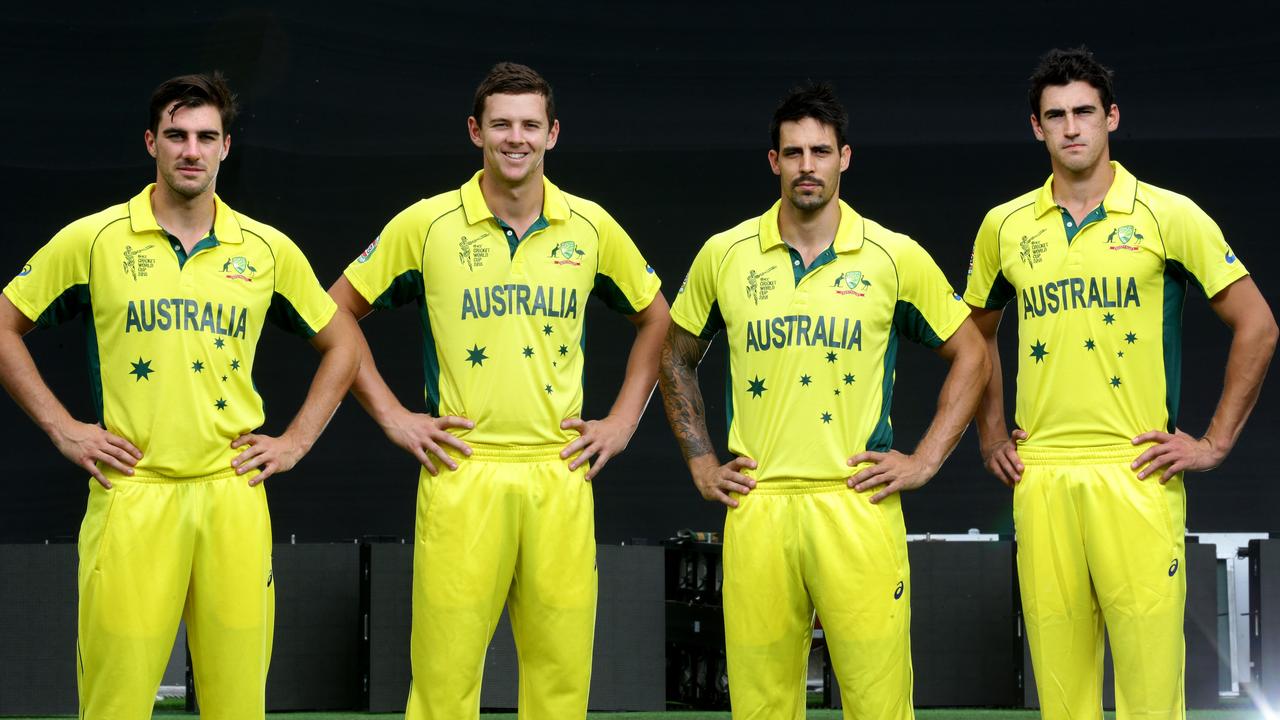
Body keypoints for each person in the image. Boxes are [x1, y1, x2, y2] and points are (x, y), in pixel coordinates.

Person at [0, 72, 360, 719]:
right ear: (151, 143)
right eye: (176, 135)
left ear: (226, 147)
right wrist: (62, 427)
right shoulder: (96, 240)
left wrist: (297, 440)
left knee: (238, 705)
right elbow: (4, 324)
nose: (191, 149)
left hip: (232, 496)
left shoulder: (266, 250)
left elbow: (343, 343)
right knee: (115, 704)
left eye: (205, 136)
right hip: (134, 494)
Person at [327, 62, 669, 719]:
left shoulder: (590, 226)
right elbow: (333, 312)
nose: (516, 138)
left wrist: (624, 422)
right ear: (475, 131)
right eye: (502, 124)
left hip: (558, 472)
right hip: (464, 471)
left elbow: (661, 319)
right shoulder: (427, 225)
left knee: (561, 680)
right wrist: (394, 417)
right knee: (444, 679)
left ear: (553, 134)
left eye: (530, 125)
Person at [658, 81, 988, 720]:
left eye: (821, 151)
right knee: (760, 705)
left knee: (879, 701)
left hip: (856, 504)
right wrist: (700, 461)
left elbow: (973, 353)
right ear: (773, 162)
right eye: (793, 152)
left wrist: (923, 462)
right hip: (760, 505)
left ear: (845, 158)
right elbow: (675, 356)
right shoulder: (724, 255)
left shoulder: (894, 256)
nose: (807, 165)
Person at [964, 47, 1277, 719]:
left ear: (1111, 118)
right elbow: (976, 337)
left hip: (1136, 471)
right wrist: (991, 432)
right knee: (1062, 692)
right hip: (1041, 476)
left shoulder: (1169, 215)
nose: (1071, 128)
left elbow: (1259, 325)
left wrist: (1215, 443)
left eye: (1084, 112)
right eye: (1056, 115)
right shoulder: (1006, 226)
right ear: (1036, 128)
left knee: (1148, 689)